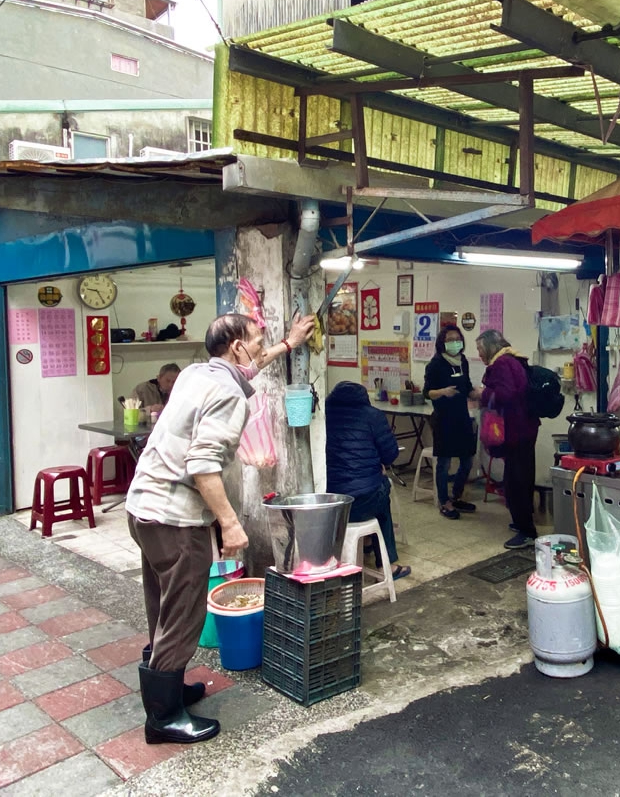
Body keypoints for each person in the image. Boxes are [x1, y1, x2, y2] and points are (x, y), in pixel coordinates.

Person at [125, 310, 315, 746]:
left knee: (162, 605)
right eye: (254, 339)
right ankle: (164, 718)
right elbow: (203, 466)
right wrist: (230, 524)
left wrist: (287, 344)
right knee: (186, 611)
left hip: (143, 508)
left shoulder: (196, 372)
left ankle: (165, 686)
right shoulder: (229, 394)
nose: (257, 347)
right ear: (236, 347)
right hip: (176, 518)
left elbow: (250, 363)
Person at [325, 381, 411, 580]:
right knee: (382, 496)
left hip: (331, 501)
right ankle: (387, 564)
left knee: (374, 488)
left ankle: (364, 545)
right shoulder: (373, 416)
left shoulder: (324, 416)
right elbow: (390, 455)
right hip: (363, 500)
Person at [471, 330, 540, 549]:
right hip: (525, 428)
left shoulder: (502, 364)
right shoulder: (513, 359)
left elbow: (506, 394)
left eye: (481, 350)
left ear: (490, 348)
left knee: (516, 481)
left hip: (516, 430)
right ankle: (522, 523)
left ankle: (527, 531)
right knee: (521, 477)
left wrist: (481, 394)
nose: (480, 354)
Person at [423, 325, 478, 520]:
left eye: (457, 338)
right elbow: (427, 392)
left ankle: (456, 496)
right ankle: (443, 501)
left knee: (467, 459)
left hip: (462, 417)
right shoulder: (436, 364)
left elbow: (467, 387)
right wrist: (443, 392)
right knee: (444, 463)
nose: (455, 342)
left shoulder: (463, 361)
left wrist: (479, 394)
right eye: (450, 339)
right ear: (442, 343)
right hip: (444, 419)